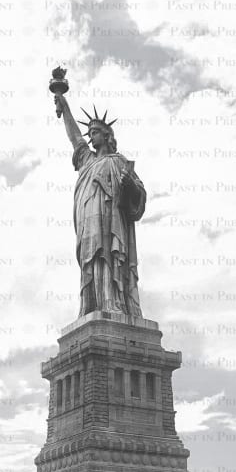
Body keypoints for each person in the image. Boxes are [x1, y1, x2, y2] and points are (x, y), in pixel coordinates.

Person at [54, 93, 146, 318]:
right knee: (90, 259)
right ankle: (91, 305)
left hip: (110, 217)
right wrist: (65, 107)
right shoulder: (86, 160)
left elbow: (139, 195)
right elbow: (75, 138)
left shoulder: (119, 161)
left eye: (94, 133)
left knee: (108, 255)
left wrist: (128, 186)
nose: (90, 137)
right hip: (87, 218)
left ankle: (113, 303)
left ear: (106, 135)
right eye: (90, 133)